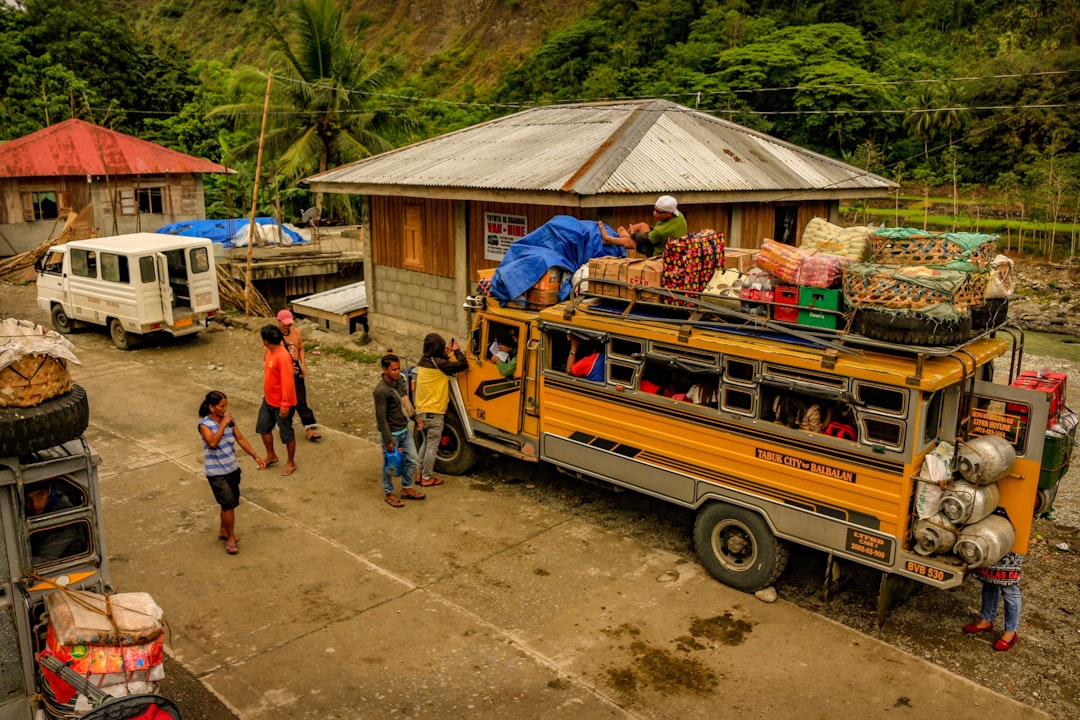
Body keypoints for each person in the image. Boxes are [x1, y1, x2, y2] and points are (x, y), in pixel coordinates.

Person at [198, 390, 265, 555]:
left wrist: (255, 455)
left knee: (230, 504)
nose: (225, 409)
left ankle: (223, 530)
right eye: (222, 406)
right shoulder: (205, 425)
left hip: (232, 469)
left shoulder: (229, 420)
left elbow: (240, 438)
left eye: (226, 405)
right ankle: (230, 537)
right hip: (216, 473)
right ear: (212, 408)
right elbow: (212, 443)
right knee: (228, 504)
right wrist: (223, 424)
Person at [415, 333, 469, 487]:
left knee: (425, 443)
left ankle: (419, 473)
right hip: (434, 413)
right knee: (432, 446)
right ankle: (426, 478)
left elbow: (441, 362)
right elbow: (463, 365)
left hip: (421, 411)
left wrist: (446, 353)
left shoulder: (424, 360)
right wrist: (456, 351)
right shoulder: (440, 364)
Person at [373, 353, 424, 507]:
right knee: (390, 465)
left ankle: (406, 488)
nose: (397, 372)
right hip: (391, 435)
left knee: (413, 459)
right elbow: (381, 418)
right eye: (393, 369)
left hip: (404, 431)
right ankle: (389, 492)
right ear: (384, 369)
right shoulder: (380, 391)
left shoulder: (400, 381)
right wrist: (388, 441)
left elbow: (406, 402)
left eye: (398, 369)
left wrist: (415, 418)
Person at [256, 324, 298, 476]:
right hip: (268, 400)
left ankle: (291, 462)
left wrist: (285, 405)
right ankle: (271, 455)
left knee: (286, 434)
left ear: (266, 341)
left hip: (282, 403)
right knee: (263, 428)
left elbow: (287, 383)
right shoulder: (270, 352)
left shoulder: (283, 357)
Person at [963, 551, 1024, 651]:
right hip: (992, 542)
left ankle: (1011, 632)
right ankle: (986, 620)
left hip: (1012, 544)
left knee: (1010, 587)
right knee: (989, 580)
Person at [276, 309, 321, 442]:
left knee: (301, 400)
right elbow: (270, 356)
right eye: (284, 324)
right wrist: (286, 369)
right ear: (278, 321)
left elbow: (300, 348)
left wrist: (303, 364)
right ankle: (284, 427)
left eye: (289, 324)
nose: (287, 326)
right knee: (287, 401)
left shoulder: (296, 332)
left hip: (297, 369)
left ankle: (310, 430)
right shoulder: (274, 335)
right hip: (283, 371)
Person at [598, 195, 688, 257]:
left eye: (658, 212)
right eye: (655, 209)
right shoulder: (679, 215)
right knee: (642, 225)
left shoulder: (660, 231)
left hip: (658, 255)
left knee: (632, 242)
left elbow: (645, 238)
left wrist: (632, 234)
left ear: (668, 213)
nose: (654, 213)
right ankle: (625, 237)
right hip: (663, 242)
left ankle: (608, 239)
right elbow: (654, 231)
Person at [25, 481, 89, 565]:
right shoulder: (30, 512)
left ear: (50, 492)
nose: (35, 504)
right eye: (27, 499)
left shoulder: (64, 517)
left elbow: (44, 560)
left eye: (40, 495)